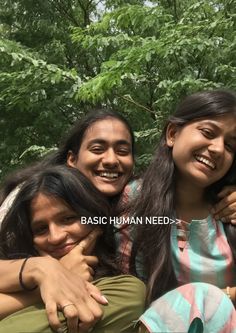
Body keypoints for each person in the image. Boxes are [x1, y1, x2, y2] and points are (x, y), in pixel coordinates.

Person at [128, 89, 236, 332]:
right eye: (208, 132)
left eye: (230, 146)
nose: (218, 149)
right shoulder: (134, 199)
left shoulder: (229, 211)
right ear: (172, 134)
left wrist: (217, 297)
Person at [0, 166, 146, 333]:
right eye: (41, 229)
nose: (55, 237)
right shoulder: (15, 274)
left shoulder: (124, 292)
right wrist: (50, 272)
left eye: (68, 219)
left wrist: (61, 277)